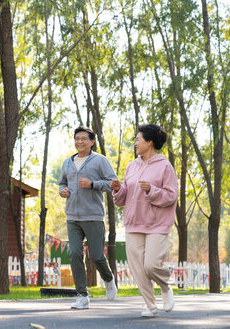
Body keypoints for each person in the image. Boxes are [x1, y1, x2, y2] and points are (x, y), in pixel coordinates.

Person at [111, 124, 178, 317]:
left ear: (149, 142)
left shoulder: (164, 165)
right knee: (138, 269)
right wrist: (117, 188)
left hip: (157, 223)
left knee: (151, 265)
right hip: (134, 223)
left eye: (138, 139)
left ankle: (165, 287)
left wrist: (151, 190)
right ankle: (150, 306)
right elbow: (124, 197)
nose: (135, 143)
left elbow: (171, 195)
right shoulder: (132, 166)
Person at [58, 126, 118, 309]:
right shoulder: (67, 162)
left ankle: (108, 279)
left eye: (84, 138)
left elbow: (113, 183)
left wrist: (93, 184)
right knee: (74, 253)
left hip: (93, 216)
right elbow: (62, 182)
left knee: (97, 256)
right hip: (72, 216)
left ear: (92, 141)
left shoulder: (100, 161)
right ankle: (82, 296)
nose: (80, 142)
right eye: (77, 138)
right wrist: (63, 191)